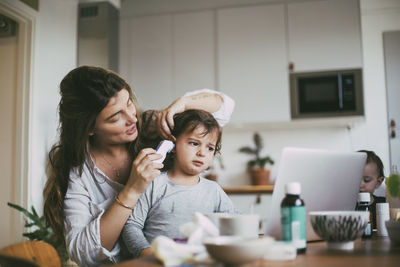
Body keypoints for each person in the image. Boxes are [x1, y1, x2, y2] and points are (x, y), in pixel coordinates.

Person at [42, 66, 235, 267]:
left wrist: (183, 104)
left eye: (129, 103)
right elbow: (84, 253)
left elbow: (224, 106)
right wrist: (132, 190)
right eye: (116, 117)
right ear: (90, 128)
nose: (132, 118)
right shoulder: (80, 174)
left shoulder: (154, 129)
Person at [121, 110, 236, 258]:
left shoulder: (213, 190)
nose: (202, 152)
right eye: (194, 143)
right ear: (172, 145)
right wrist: (146, 252)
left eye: (210, 148)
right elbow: (131, 226)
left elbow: (234, 221)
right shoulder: (153, 184)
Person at [357, 150, 386, 230]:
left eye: (366, 180)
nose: (360, 185)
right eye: (355, 179)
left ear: (378, 182)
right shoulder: (345, 207)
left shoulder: (384, 204)